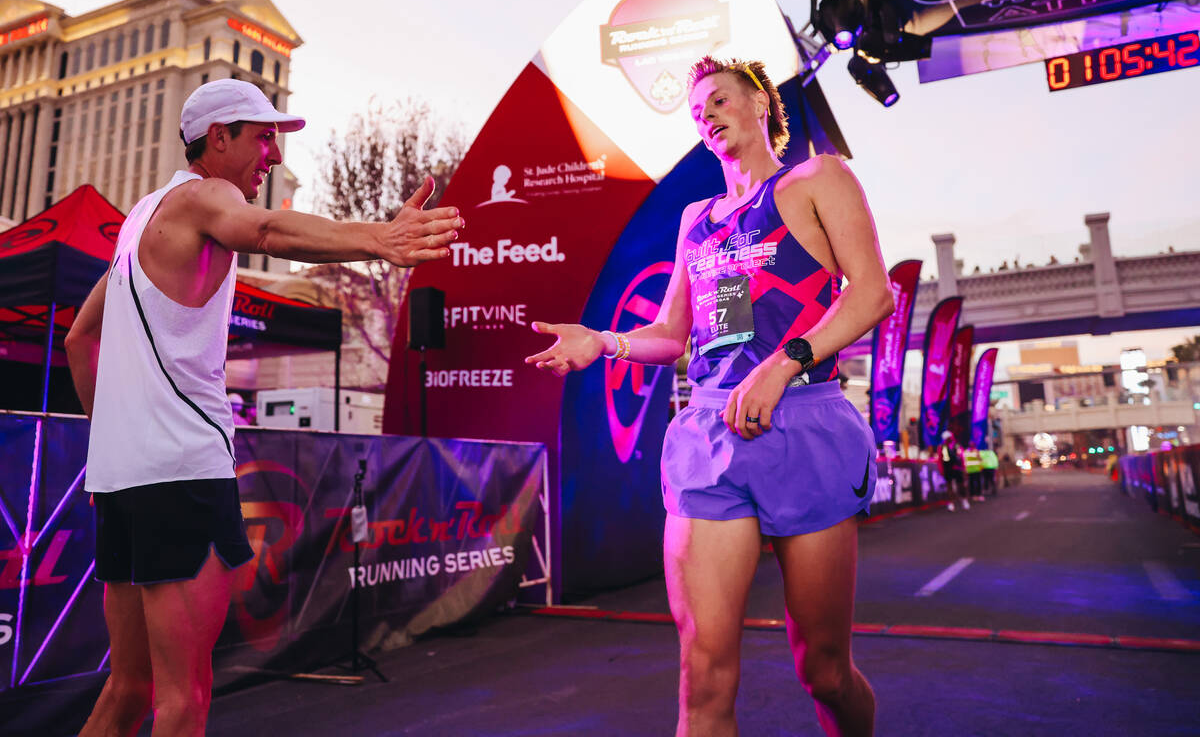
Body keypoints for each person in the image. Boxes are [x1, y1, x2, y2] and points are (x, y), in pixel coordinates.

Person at [64, 78, 463, 737]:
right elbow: (271, 228)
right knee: (184, 700)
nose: (274, 156)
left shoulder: (139, 220)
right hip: (181, 476)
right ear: (217, 139)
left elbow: (81, 338)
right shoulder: (203, 196)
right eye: (263, 137)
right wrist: (379, 240)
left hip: (122, 483)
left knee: (129, 688)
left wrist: (111, 442)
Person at [525, 56, 892, 736]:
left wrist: (784, 364)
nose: (708, 116)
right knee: (704, 672)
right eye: (697, 113)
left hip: (805, 427)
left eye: (720, 100)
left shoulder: (819, 177)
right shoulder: (698, 217)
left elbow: (872, 292)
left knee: (824, 671)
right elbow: (673, 333)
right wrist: (604, 341)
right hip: (708, 438)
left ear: (761, 103)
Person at [938, 431, 969, 511]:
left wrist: (963, 468)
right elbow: (942, 460)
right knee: (949, 486)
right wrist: (942, 470)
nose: (948, 439)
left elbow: (961, 457)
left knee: (961, 485)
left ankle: (964, 499)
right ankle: (951, 503)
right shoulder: (943, 447)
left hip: (958, 469)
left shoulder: (957, 446)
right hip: (948, 469)